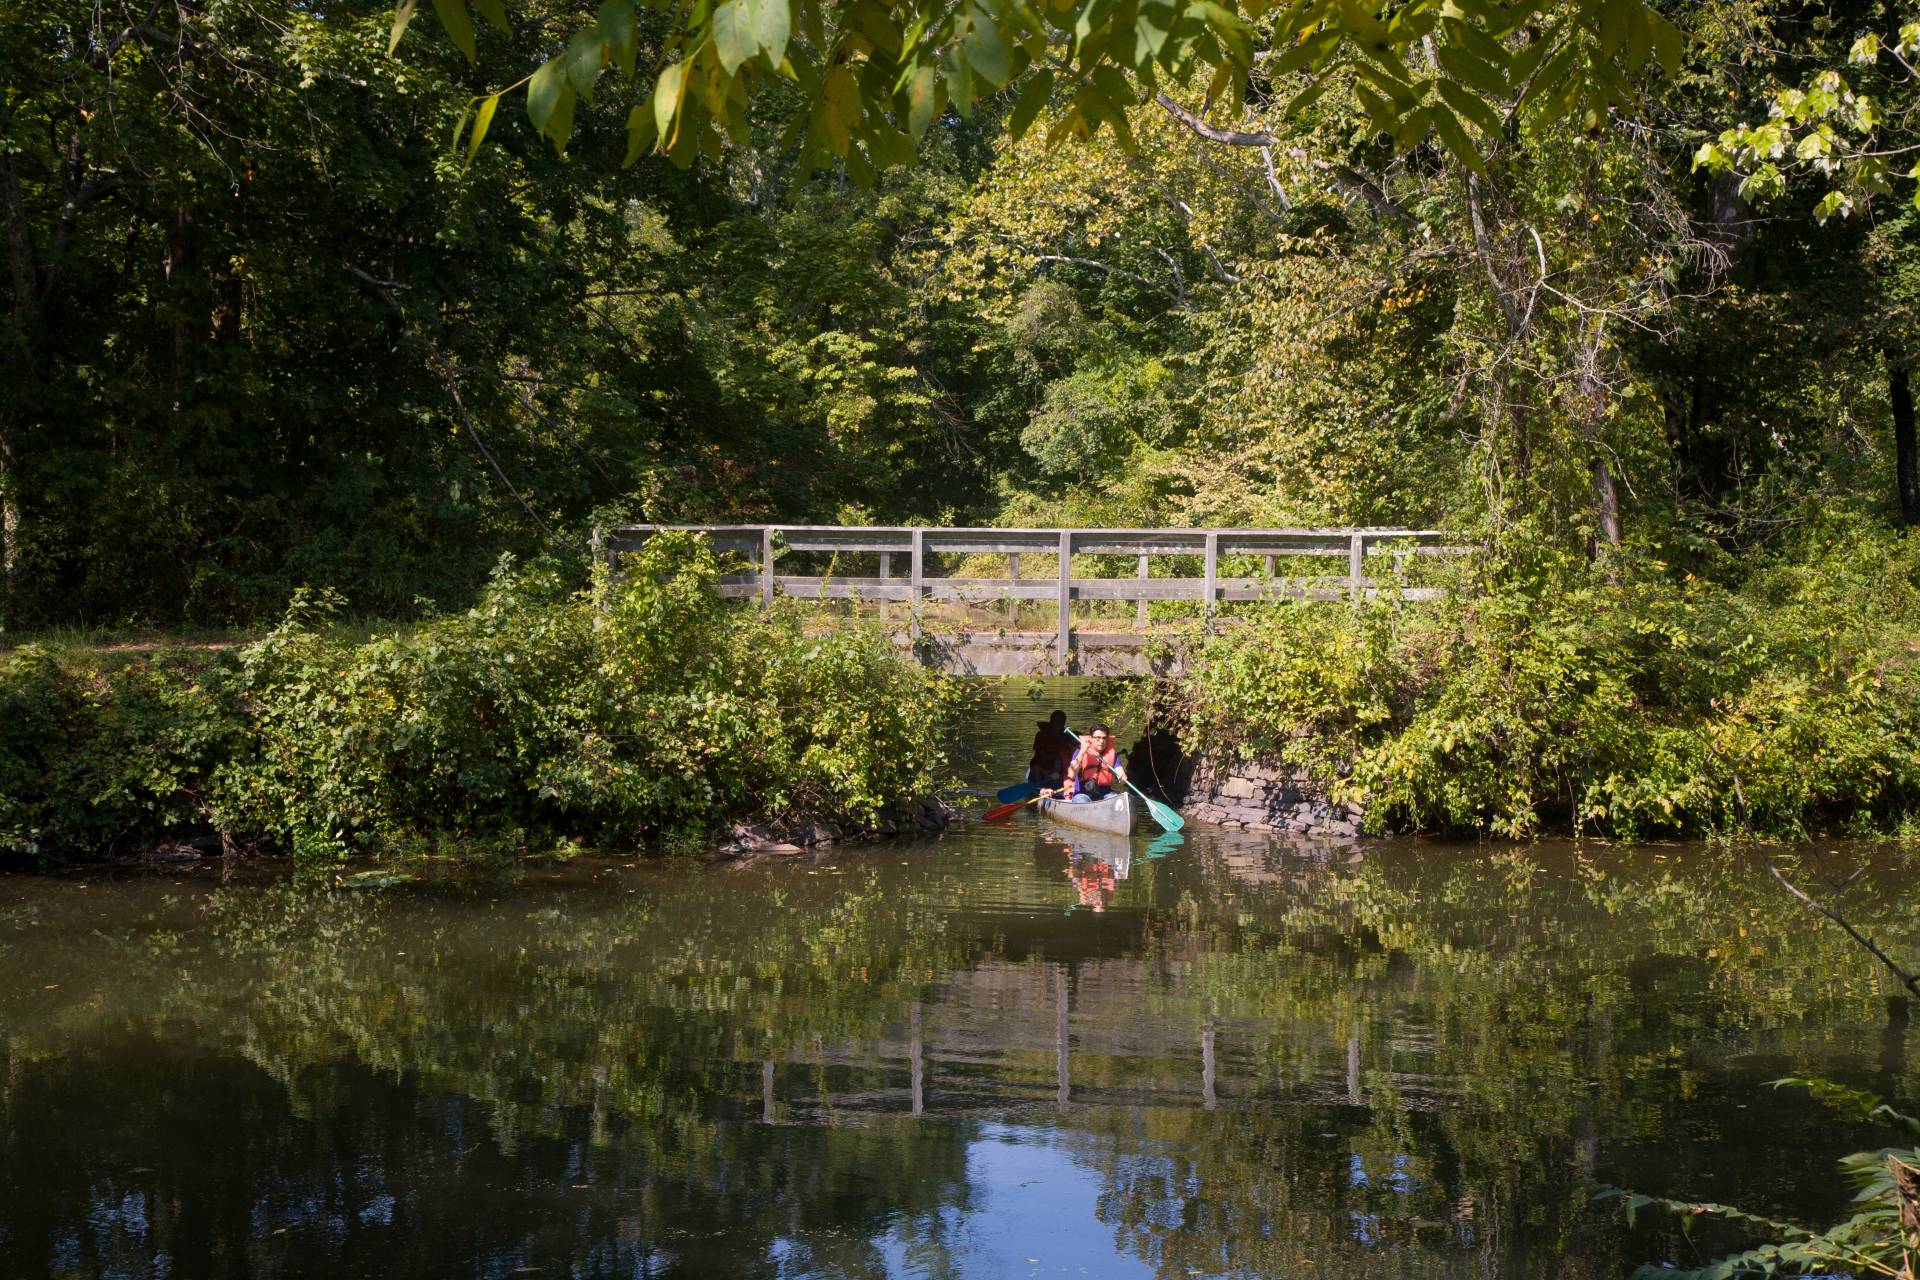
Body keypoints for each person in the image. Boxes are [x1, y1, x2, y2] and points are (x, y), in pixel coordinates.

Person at [1049, 724, 1125, 802]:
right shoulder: (1079, 752)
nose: (1101, 741)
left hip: (1105, 794)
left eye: (1104, 738)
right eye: (1098, 738)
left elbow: (1119, 769)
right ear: (1091, 738)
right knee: (1081, 800)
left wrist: (1122, 775)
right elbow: (1071, 774)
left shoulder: (1112, 754)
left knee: (1118, 798)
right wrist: (1082, 752)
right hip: (1083, 794)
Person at [1027, 710, 1073, 787]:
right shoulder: (1041, 735)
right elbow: (1041, 755)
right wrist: (1057, 756)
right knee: (1036, 767)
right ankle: (1039, 787)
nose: (1058, 725)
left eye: (1060, 722)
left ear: (1063, 724)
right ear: (1051, 722)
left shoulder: (1066, 736)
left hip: (1060, 767)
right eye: (1056, 722)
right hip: (1042, 764)